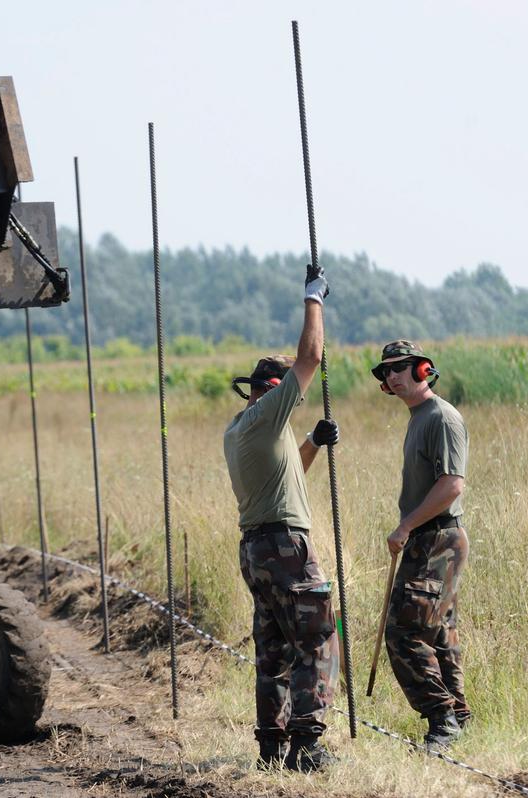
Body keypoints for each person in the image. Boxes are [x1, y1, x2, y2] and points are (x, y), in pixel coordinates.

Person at [223, 264, 341, 772]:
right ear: (271, 390)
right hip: (286, 548)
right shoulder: (269, 412)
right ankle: (308, 748)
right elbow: (311, 356)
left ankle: (271, 749)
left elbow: (287, 480)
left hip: (258, 549)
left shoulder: (243, 427)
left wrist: (312, 442)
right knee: (317, 639)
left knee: (273, 651)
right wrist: (313, 297)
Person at [372, 340, 470, 748]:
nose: (392, 376)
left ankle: (441, 718)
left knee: (403, 632)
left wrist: (405, 526)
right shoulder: (418, 417)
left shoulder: (441, 418)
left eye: (400, 367)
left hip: (437, 539)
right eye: (385, 372)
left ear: (422, 369)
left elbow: (451, 486)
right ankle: (458, 717)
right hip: (428, 539)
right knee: (437, 632)